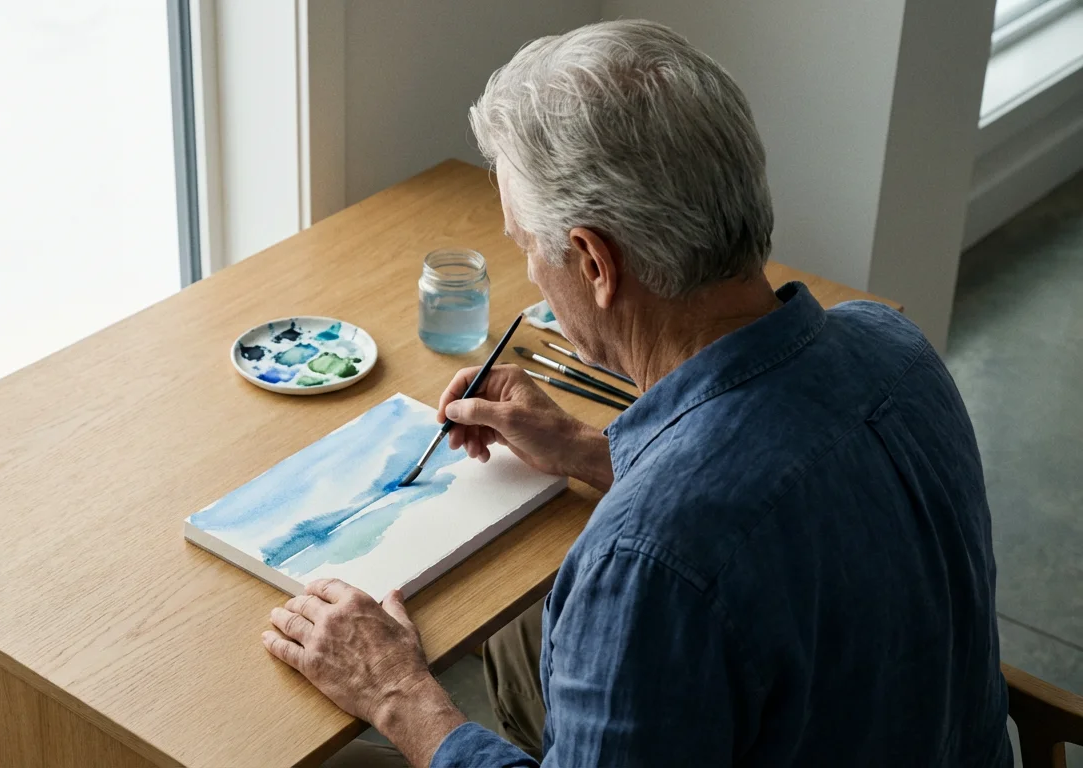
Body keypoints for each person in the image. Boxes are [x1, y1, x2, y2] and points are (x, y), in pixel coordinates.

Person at [261, 18, 1011, 767]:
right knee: (522, 632)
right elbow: (773, 491)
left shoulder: (644, 565)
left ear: (593, 262)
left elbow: (694, 538)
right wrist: (590, 450)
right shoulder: (895, 346)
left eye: (524, 243)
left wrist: (399, 695)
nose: (528, 272)